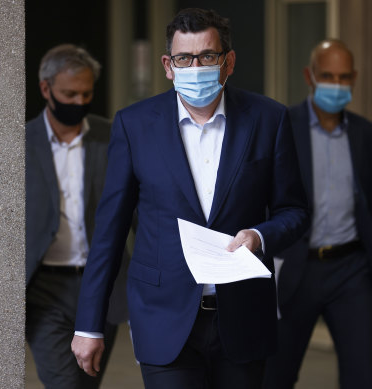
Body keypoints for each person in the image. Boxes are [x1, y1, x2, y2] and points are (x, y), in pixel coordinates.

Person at [71, 8, 310, 389]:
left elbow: (294, 211)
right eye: (184, 58)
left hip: (244, 316)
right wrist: (88, 324)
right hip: (163, 316)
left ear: (228, 62)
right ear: (168, 65)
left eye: (207, 56)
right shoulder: (134, 125)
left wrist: (260, 237)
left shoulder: (269, 119)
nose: (195, 66)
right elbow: (109, 233)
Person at [262, 39, 372, 389]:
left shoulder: (367, 135)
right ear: (310, 76)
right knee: (275, 376)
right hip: (294, 269)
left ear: (353, 78)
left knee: (363, 377)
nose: (335, 85)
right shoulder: (281, 125)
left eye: (343, 77)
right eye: (327, 76)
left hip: (350, 272)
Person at [25, 44, 129, 389]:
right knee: (62, 383)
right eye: (69, 93)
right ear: (45, 88)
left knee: (87, 382)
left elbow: (138, 206)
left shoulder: (112, 135)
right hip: (44, 288)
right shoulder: (21, 142)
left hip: (101, 285)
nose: (79, 102)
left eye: (86, 94)